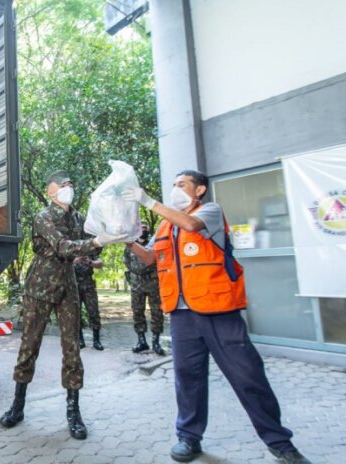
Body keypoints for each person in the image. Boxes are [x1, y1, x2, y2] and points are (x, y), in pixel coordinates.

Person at [122, 170, 311, 464]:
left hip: (218, 311)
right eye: (173, 185)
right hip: (182, 314)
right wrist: (126, 240)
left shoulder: (208, 211)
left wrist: (148, 200)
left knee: (248, 375)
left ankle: (279, 443)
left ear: (199, 190)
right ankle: (189, 438)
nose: (176, 189)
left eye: (182, 184)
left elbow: (191, 224)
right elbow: (149, 258)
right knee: (188, 379)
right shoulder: (165, 225)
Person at [0, 170, 126, 439]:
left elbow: (92, 248)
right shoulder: (43, 217)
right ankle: (17, 406)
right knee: (29, 346)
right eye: (63, 184)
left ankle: (73, 413)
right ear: (51, 191)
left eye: (71, 183)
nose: (69, 187)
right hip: (40, 287)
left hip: (68, 287)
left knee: (72, 349)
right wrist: (94, 241)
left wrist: (106, 233)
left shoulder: (80, 218)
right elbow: (63, 247)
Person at [123, 222, 165, 355]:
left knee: (157, 312)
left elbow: (158, 260)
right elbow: (127, 262)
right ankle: (141, 341)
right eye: (140, 229)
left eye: (145, 229)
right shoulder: (131, 245)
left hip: (153, 284)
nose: (143, 231)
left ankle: (156, 341)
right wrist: (137, 272)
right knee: (137, 312)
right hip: (136, 285)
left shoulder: (154, 243)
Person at [73, 210, 104, 350]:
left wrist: (90, 262)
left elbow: (100, 263)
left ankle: (96, 340)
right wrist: (75, 260)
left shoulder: (93, 246)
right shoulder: (72, 246)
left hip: (88, 284)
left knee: (94, 312)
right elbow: (63, 260)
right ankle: (80, 340)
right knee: (76, 312)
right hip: (74, 284)